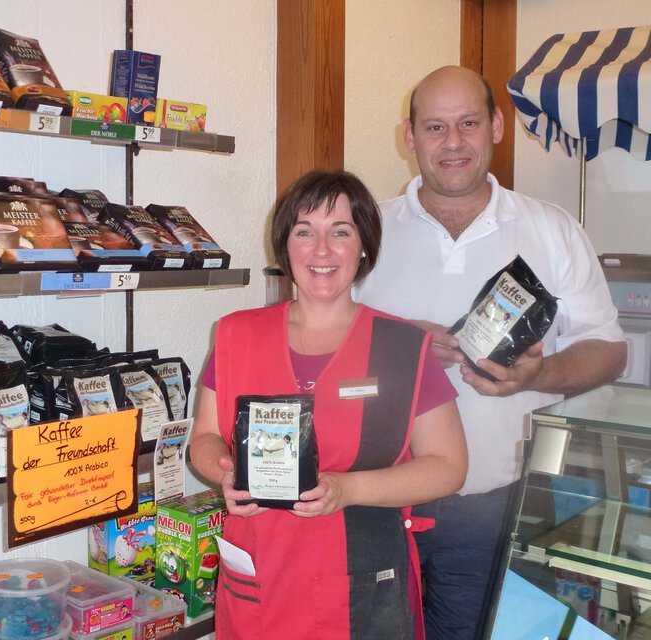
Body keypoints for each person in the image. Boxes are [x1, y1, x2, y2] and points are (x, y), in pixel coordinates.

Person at [353, 65, 627, 640]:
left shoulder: (552, 229)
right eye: (435, 127)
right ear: (409, 136)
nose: (452, 142)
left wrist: (539, 372)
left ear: (497, 126)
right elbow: (314, 342)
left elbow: (608, 351)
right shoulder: (364, 229)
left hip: (499, 506)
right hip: (373, 505)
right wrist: (396, 344)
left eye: (468, 123)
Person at [189, 169, 468, 639]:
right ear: (285, 247)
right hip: (261, 576)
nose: (321, 251)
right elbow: (204, 438)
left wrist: (347, 489)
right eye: (305, 232)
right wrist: (224, 473)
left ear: (363, 247)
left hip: (364, 581)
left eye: (340, 232)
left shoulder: (403, 346)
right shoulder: (235, 333)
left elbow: (449, 466)